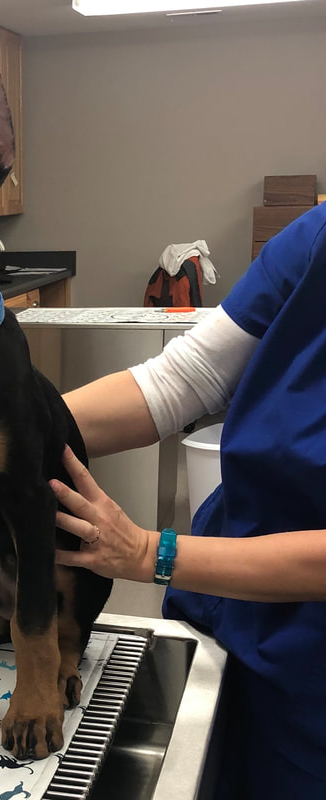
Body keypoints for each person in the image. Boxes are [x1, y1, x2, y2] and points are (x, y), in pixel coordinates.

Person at [50, 200, 326, 799]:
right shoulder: (316, 240)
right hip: (224, 612)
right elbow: (185, 379)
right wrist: (0, 440)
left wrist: (154, 552)